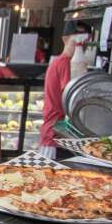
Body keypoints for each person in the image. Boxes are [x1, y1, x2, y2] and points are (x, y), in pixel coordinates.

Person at [39, 20, 93, 159]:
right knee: (48, 176)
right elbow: (71, 96)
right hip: (54, 133)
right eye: (76, 41)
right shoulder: (64, 63)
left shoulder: (59, 61)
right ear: (65, 39)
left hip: (53, 131)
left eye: (84, 41)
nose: (80, 45)